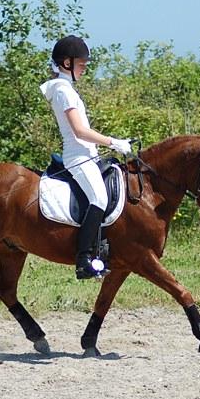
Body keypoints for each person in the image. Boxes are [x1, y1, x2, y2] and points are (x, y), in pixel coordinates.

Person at [40, 35, 132, 280]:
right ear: (66, 63)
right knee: (99, 199)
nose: (85, 67)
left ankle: (103, 248)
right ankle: (83, 260)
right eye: (81, 63)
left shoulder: (67, 89)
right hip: (77, 156)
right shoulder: (63, 91)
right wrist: (114, 142)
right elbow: (80, 131)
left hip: (88, 155)